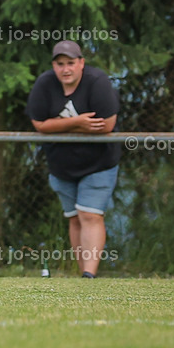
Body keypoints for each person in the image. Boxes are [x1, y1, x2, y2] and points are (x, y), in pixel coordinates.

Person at [26, 40, 120, 278]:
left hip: (98, 163)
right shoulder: (45, 84)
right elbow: (39, 124)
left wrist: (56, 126)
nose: (65, 69)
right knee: (75, 218)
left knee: (90, 214)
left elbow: (106, 125)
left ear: (81, 63)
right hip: (62, 165)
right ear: (53, 66)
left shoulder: (97, 82)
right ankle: (83, 275)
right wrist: (77, 123)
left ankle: (89, 275)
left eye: (70, 63)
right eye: (60, 64)